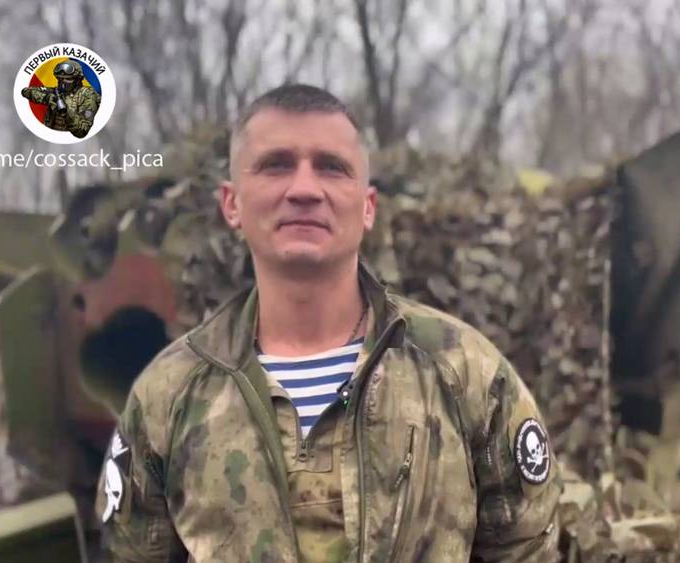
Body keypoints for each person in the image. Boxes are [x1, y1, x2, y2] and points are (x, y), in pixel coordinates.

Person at [95, 84, 561, 562]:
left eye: (332, 167)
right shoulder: (169, 394)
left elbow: (527, 548)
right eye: (276, 165)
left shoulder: (462, 371)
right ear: (231, 203)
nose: (304, 190)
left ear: (368, 206)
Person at [21, 59, 100, 138]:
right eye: (60, 79)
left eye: (68, 79)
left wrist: (66, 112)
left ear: (78, 79)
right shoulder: (56, 91)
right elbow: (26, 91)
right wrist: (46, 98)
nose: (63, 83)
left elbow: (82, 131)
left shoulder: (88, 95)